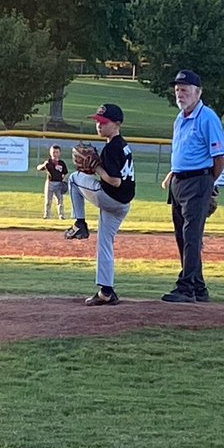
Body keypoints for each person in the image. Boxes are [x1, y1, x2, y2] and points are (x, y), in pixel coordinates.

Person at [161, 70, 224, 303]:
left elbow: (220, 157)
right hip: (179, 182)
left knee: (191, 235)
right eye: (178, 89)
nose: (180, 94)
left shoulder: (207, 117)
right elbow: (185, 152)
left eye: (185, 89)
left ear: (198, 93)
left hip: (198, 181)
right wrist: (174, 173)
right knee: (182, 235)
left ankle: (186, 287)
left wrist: (209, 183)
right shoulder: (180, 118)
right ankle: (198, 287)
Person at [64, 103, 135, 306]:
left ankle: (79, 223)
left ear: (117, 124)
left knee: (74, 179)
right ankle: (106, 291)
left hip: (110, 196)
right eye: (97, 121)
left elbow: (114, 180)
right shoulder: (122, 145)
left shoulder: (113, 147)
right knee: (104, 243)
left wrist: (95, 167)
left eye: (103, 122)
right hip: (122, 204)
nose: (99, 125)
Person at [35, 144, 69, 219]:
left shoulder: (62, 163)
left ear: (60, 153)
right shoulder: (48, 162)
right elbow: (38, 168)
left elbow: (65, 173)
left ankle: (61, 215)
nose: (55, 154)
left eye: (57, 152)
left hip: (59, 183)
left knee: (60, 201)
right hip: (50, 182)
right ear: (50, 153)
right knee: (48, 201)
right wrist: (43, 165)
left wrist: (64, 181)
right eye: (53, 152)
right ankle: (47, 215)